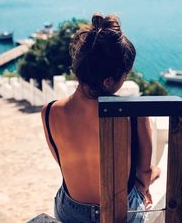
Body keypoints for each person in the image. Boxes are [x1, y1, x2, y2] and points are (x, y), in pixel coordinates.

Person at [41, 13, 160, 223]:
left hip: (70, 211)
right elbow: (145, 171)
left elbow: (63, 162)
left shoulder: (49, 111)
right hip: (119, 213)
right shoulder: (134, 113)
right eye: (125, 75)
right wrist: (146, 185)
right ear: (108, 81)